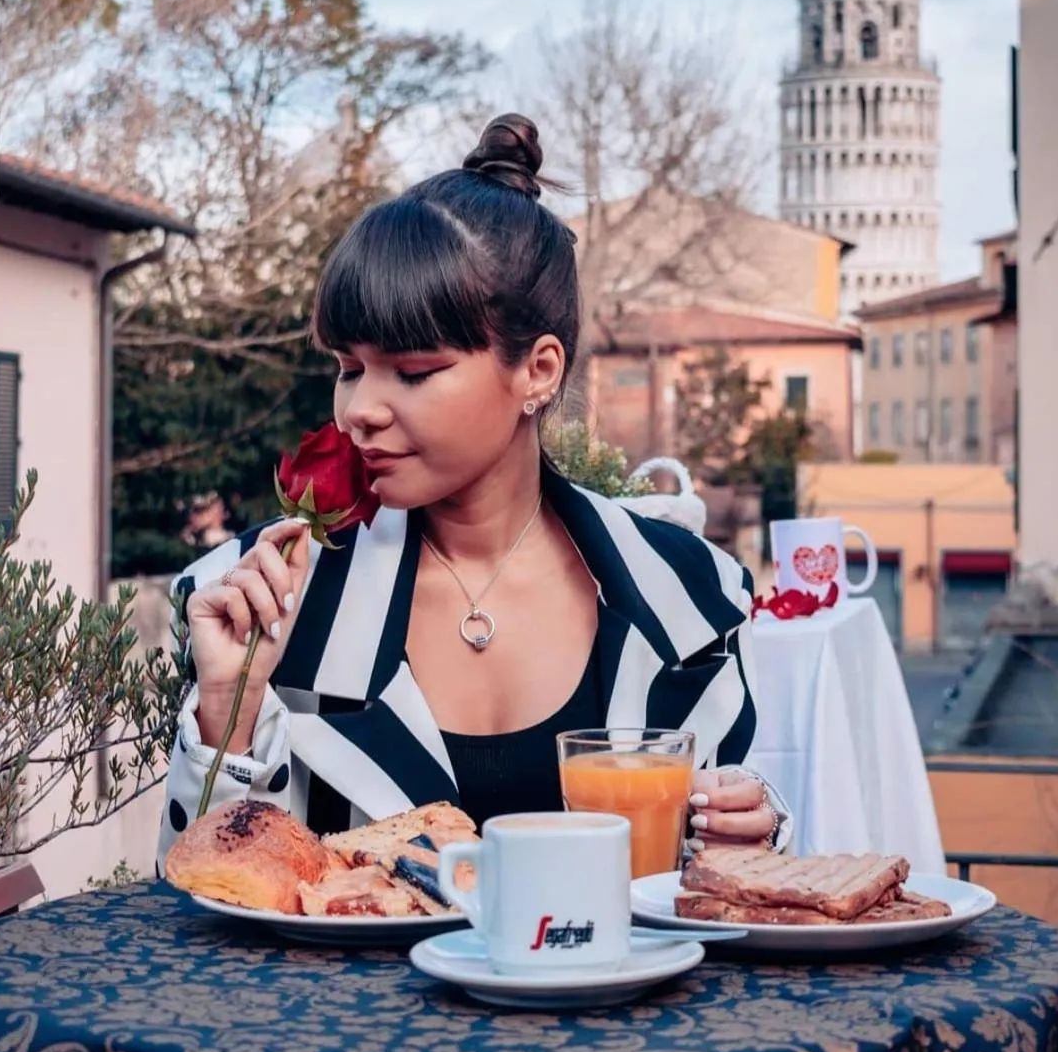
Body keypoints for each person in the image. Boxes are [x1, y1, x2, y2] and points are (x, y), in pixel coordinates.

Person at [156, 114, 791, 870]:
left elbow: (724, 902)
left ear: (539, 371)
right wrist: (230, 712)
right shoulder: (262, 604)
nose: (360, 409)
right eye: (348, 367)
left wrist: (754, 830)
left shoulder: (695, 599)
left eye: (414, 370)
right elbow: (201, 901)